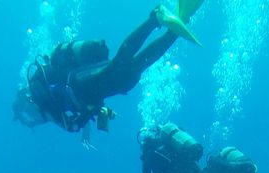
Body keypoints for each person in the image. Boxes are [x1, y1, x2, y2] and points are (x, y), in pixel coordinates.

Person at [13, 2, 204, 145]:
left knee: (120, 65)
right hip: (89, 86)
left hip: (80, 82)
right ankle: (172, 32)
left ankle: (154, 18)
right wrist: (98, 110)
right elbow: (79, 108)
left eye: (29, 116)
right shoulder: (46, 96)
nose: (35, 119)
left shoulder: (41, 97)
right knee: (132, 72)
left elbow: (72, 125)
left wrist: (87, 115)